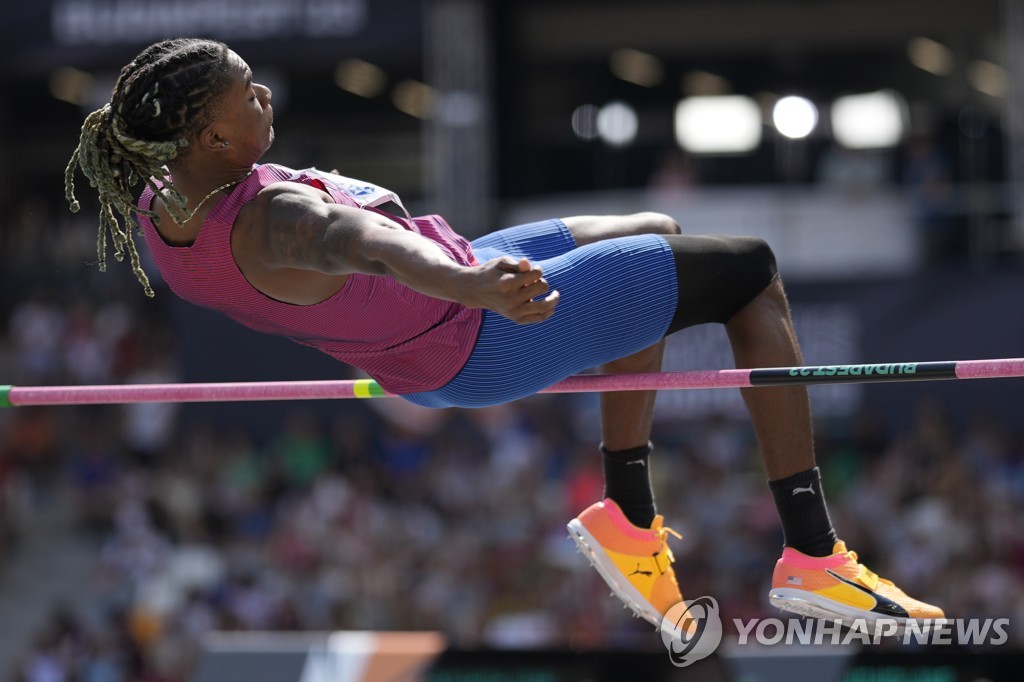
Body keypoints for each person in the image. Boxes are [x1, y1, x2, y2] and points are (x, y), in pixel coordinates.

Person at [64, 37, 942, 631]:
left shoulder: (160, 204)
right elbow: (366, 246)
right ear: (212, 134)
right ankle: (812, 555)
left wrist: (465, 269)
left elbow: (371, 253)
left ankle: (629, 519)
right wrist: (477, 285)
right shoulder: (276, 219)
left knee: (660, 233)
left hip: (433, 318)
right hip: (470, 328)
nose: (263, 95)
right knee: (749, 271)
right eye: (246, 93)